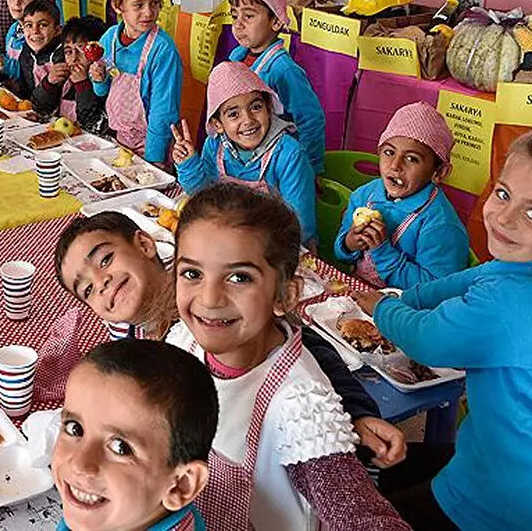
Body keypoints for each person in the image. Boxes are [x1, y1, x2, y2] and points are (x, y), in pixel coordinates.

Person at [356, 128, 532, 530]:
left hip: (513, 510)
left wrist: (384, 307)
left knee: (364, 504)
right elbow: (465, 282)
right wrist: (408, 297)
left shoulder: (516, 303)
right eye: (503, 194)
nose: (503, 217)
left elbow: (426, 340)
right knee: (395, 466)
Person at [49, 211, 407, 470]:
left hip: (279, 457)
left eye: (106, 259)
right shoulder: (138, 333)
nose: (103, 282)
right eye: (88, 289)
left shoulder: (206, 301)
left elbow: (304, 345)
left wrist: (357, 411)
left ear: (144, 243)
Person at [167, 183, 409, 530]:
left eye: (239, 277)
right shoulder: (183, 341)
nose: (209, 298)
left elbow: (360, 516)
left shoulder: (300, 406)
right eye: (192, 273)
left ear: (286, 293)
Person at [53, 339, 215, 531]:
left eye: (120, 448)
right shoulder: (114, 516)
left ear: (181, 484)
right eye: (75, 428)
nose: (80, 464)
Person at [171, 62, 316, 245]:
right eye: (233, 114)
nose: (248, 120)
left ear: (269, 108)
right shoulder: (215, 146)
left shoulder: (289, 155)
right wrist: (188, 164)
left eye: (256, 107)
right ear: (218, 124)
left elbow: (301, 226)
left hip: (279, 245)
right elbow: (204, 196)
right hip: (228, 238)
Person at [335, 102, 468, 289]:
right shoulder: (363, 196)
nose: (395, 165)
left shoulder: (440, 225)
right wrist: (349, 244)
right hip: (358, 293)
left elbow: (436, 291)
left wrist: (382, 252)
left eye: (411, 158)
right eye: (389, 152)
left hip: (407, 311)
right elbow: (340, 252)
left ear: (439, 172)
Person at [225, 0, 326, 175]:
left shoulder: (283, 69)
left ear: (276, 21)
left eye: (249, 16)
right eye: (235, 16)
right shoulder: (237, 57)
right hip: (249, 156)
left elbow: (311, 120)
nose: (238, 24)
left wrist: (309, 169)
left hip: (279, 163)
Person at [89, 0, 182, 164]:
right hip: (120, 141)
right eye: (139, 5)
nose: (148, 12)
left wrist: (153, 160)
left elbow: (163, 112)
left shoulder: (163, 50)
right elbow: (101, 91)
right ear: (118, 5)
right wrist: (98, 79)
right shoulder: (109, 40)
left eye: (155, 3)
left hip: (153, 144)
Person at [33, 16, 108, 130]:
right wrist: (49, 83)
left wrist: (83, 86)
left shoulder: (105, 83)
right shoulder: (65, 80)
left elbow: (95, 126)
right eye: (68, 51)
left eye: (82, 50)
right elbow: (39, 110)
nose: (74, 58)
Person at [0, 0, 61, 103]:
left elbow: (54, 104)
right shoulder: (26, 52)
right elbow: (24, 91)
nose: (35, 31)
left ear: (57, 31)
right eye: (29, 25)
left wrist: (49, 82)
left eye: (43, 25)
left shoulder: (62, 58)